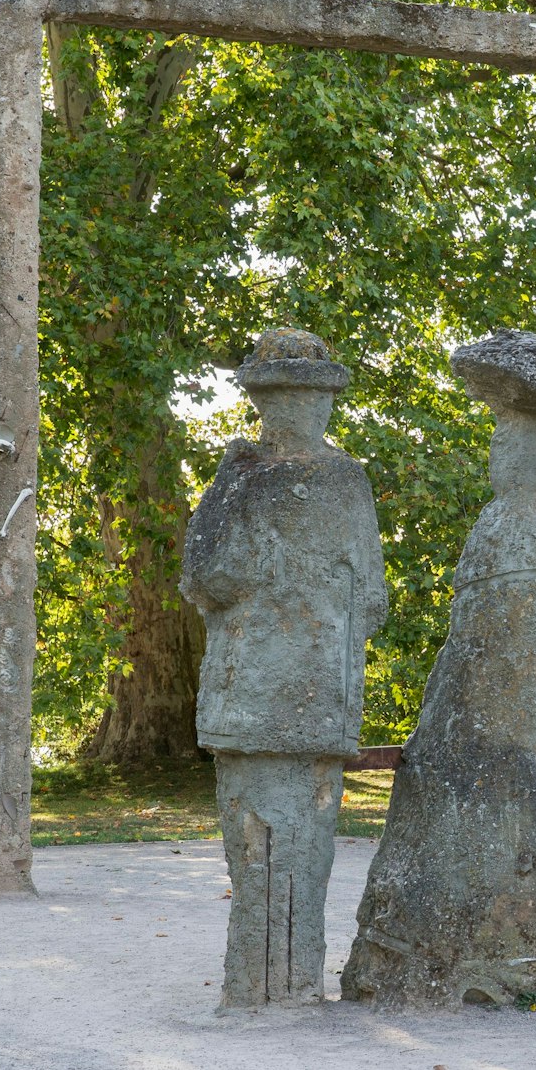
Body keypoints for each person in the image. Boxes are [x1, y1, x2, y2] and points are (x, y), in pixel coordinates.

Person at [181, 328, 386, 1008]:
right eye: (289, 396)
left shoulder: (332, 481)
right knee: (267, 851)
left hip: (300, 699)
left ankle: (282, 986)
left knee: (293, 851)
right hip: (269, 697)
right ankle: (269, 986)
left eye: (307, 396)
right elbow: (207, 577)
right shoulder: (247, 477)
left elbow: (371, 598)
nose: (300, 408)